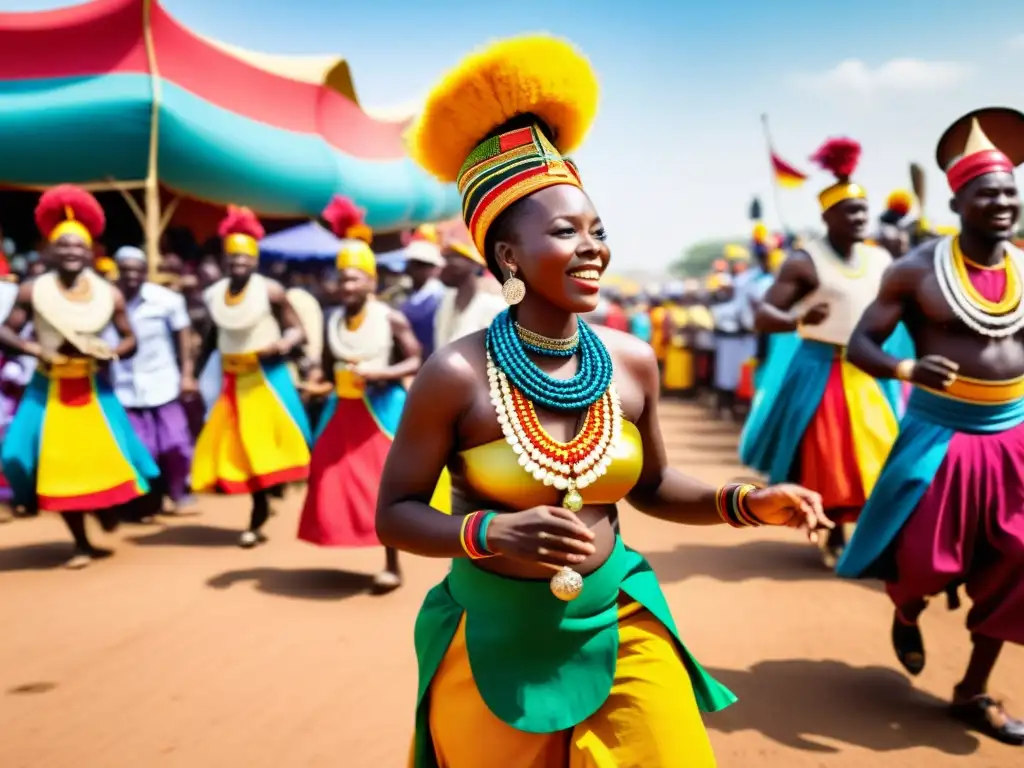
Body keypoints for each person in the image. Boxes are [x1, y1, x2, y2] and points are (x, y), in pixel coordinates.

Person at [375, 34, 831, 767]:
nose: (593, 247)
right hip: (491, 630)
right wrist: (489, 534)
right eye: (565, 231)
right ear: (508, 255)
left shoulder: (632, 361)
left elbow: (650, 485)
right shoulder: (455, 373)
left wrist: (747, 502)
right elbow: (393, 513)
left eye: (598, 230)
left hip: (617, 613)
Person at [838, 108, 1024, 745]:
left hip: (1014, 437)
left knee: (1020, 563)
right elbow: (860, 346)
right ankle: (907, 604)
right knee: (922, 562)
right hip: (938, 436)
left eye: (1010, 191)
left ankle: (973, 690)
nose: (1002, 202)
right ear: (956, 199)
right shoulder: (915, 270)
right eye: (987, 192)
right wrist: (908, 366)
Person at [744, 137, 904, 567]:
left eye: (863, 211)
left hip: (870, 368)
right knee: (830, 456)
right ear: (827, 215)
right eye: (850, 211)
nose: (859, 218)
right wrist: (797, 322)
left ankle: (873, 534)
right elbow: (763, 316)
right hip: (821, 368)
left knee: (882, 450)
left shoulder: (882, 260)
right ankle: (834, 530)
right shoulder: (804, 262)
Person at [0, 185, 159, 568]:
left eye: (79, 246)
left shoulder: (110, 295)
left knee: (105, 460)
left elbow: (129, 339)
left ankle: (87, 533)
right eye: (64, 245)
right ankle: (73, 530)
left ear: (90, 252)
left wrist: (109, 352)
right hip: (47, 388)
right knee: (18, 456)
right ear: (51, 250)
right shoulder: (31, 290)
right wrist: (38, 350)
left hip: (92, 388)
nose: (72, 251)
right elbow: (5, 332)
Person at [298, 196, 425, 591]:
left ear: (371, 281)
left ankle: (392, 564)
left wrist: (382, 372)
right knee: (330, 475)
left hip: (381, 411)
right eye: (344, 278)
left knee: (381, 484)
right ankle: (342, 533)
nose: (348, 285)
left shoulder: (391, 317)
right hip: (342, 411)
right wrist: (315, 381)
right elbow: (323, 360)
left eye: (356, 278)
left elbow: (416, 359)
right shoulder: (332, 316)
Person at [191, 205, 312, 548]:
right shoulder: (215, 295)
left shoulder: (271, 291)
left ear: (255, 260)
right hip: (231, 381)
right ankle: (261, 504)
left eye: (245, 259)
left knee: (259, 448)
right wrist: (192, 375)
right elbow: (209, 340)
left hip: (266, 380)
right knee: (238, 451)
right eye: (233, 259)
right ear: (225, 260)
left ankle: (257, 517)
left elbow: (297, 331)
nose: (238, 264)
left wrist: (280, 344)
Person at [107, 246, 198, 518]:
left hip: (163, 382)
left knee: (176, 444)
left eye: (138, 270)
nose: (132, 276)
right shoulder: (104, 300)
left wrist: (187, 375)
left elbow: (184, 338)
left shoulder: (166, 300)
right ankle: (148, 502)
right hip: (123, 387)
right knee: (141, 450)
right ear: (117, 271)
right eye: (126, 270)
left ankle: (179, 493)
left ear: (146, 271)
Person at [433, 223, 504, 348]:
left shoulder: (495, 309)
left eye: (450, 259)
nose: (442, 266)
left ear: (474, 264)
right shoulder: (445, 304)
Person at [400, 227, 447, 358]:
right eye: (411, 264)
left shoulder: (438, 296)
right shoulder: (411, 296)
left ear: (433, 268)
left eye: (419, 265)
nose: (411, 269)